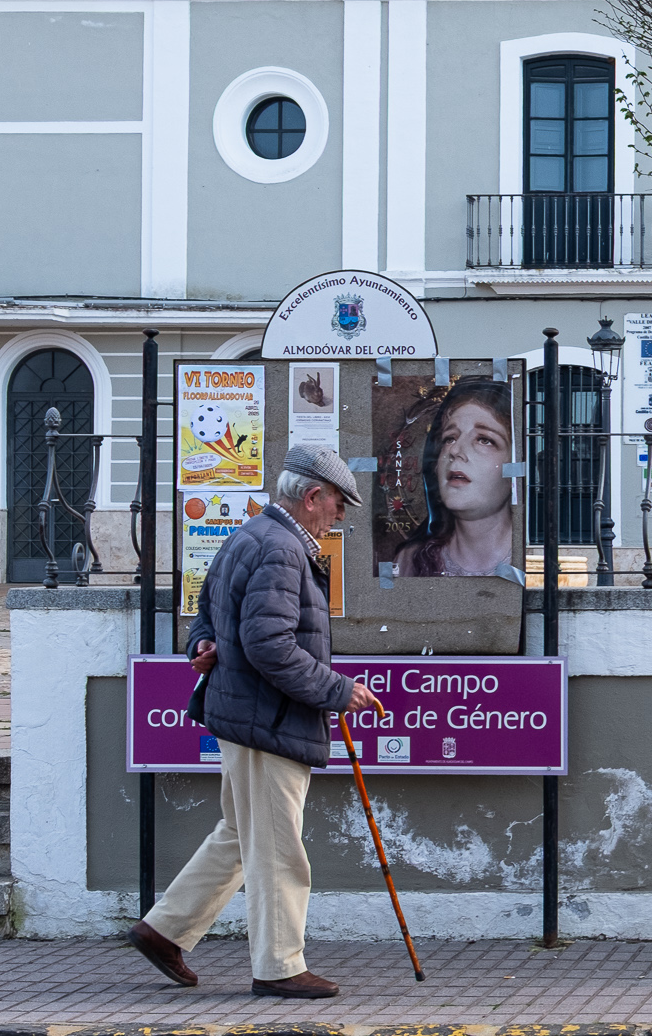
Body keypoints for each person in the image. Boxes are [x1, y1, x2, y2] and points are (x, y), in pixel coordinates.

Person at [124, 444, 379, 998]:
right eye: (338, 504)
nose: (340, 517)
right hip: (269, 721)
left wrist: (206, 644)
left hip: (245, 716)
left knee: (241, 836)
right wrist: (337, 691)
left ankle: (163, 930)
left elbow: (208, 613)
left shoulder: (251, 536)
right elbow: (270, 645)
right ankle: (280, 965)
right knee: (278, 849)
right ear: (313, 497)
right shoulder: (284, 550)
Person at [397, 376, 518, 577]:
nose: (456, 450)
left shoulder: (533, 560)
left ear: (515, 464)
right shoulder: (409, 561)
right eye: (449, 438)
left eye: (484, 440)